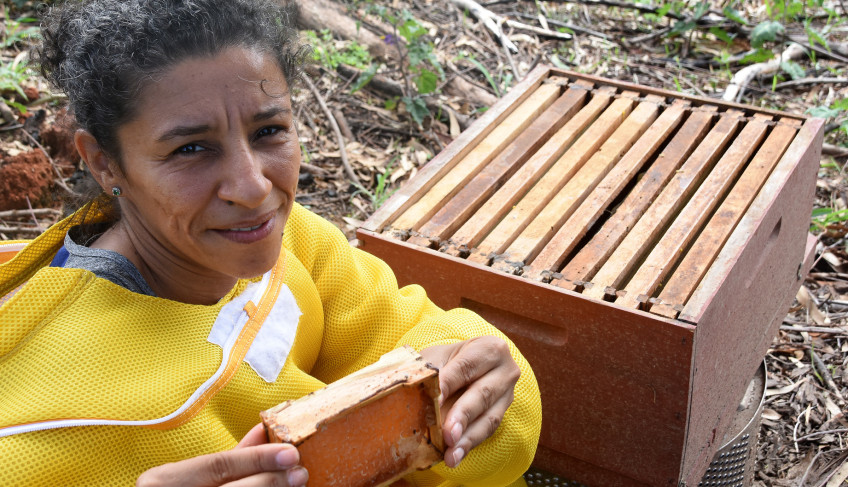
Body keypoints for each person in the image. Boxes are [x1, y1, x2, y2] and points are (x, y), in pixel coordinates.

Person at [0, 0, 541, 485]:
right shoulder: (42, 419)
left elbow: (412, 331)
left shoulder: (292, 240)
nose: (255, 187)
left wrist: (476, 379)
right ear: (103, 162)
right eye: (191, 149)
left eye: (268, 132)